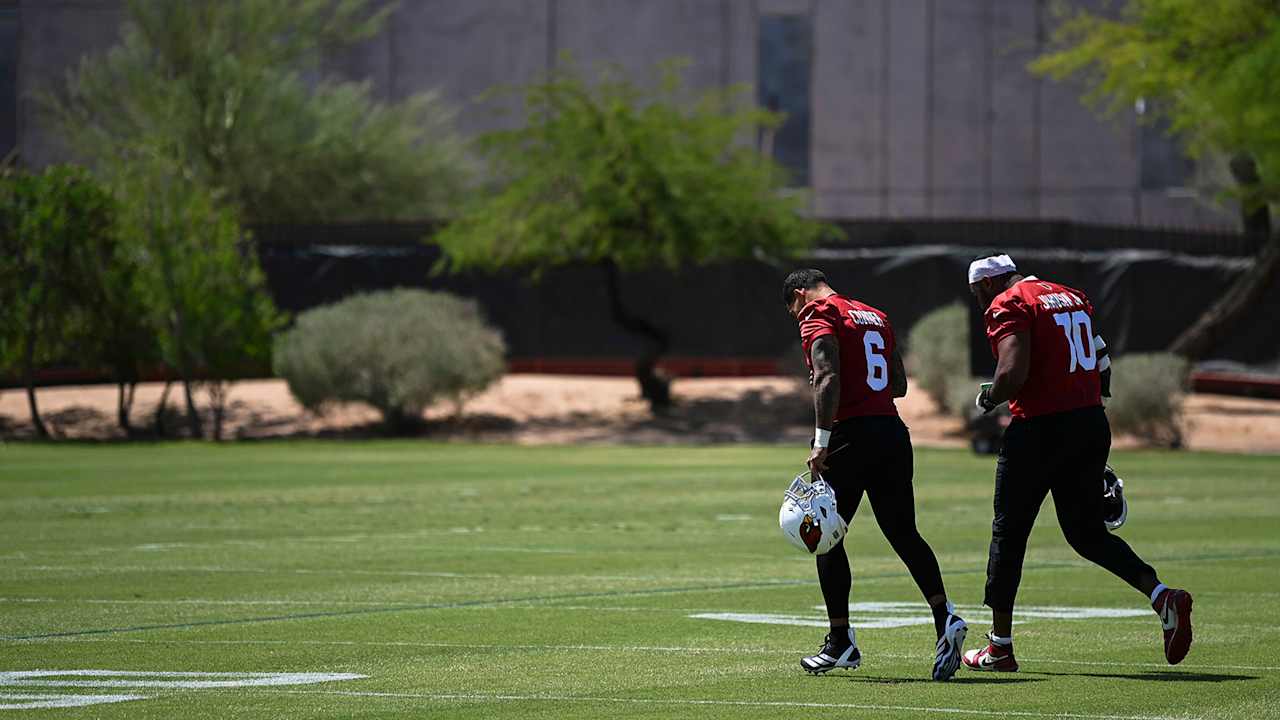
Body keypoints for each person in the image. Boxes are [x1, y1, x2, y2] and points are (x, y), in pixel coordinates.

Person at [961, 252, 1193, 672]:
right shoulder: (1070, 295)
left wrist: (989, 398)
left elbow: (1012, 372)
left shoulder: (1010, 302)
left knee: (1008, 534)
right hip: (1089, 424)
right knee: (1087, 535)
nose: (980, 304)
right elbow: (1102, 361)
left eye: (979, 294)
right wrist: (1089, 406)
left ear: (991, 284)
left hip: (1039, 431)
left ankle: (999, 646)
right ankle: (1162, 596)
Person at [782, 268, 967, 681]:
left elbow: (827, 377)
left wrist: (821, 440)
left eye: (794, 310)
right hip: (892, 433)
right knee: (904, 533)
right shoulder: (874, 314)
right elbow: (898, 383)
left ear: (799, 294)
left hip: (850, 437)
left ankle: (840, 640)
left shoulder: (818, 313)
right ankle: (945, 616)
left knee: (824, 533)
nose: (797, 318)